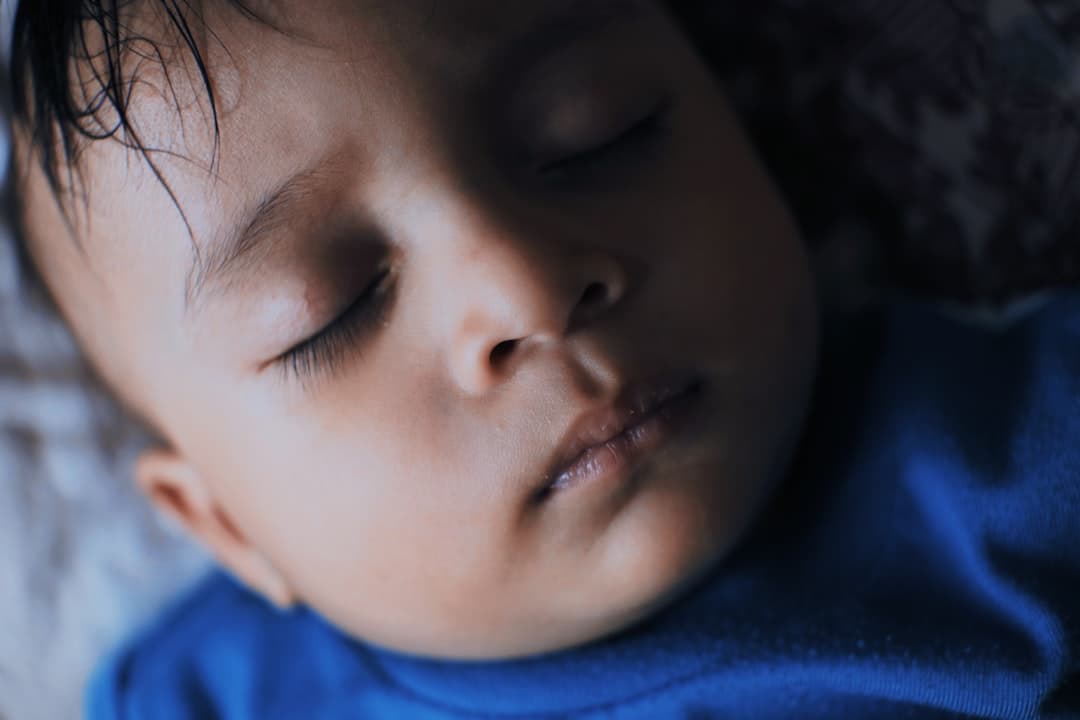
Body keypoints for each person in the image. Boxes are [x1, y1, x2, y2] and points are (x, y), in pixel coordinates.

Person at [7, 1, 1079, 717]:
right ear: (226, 528)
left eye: (596, 133)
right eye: (328, 313)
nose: (524, 285)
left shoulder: (1028, 465)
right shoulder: (203, 699)